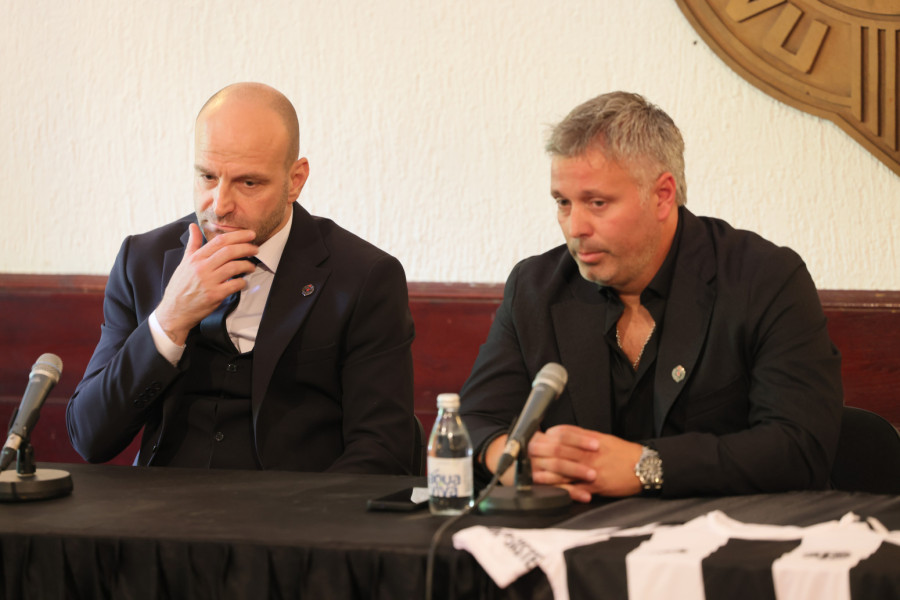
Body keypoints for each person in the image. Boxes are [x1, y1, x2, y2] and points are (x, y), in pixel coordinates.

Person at [460, 91, 843, 501]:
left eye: (597, 203)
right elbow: (471, 423)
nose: (575, 227)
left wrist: (647, 466)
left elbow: (799, 448)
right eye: (563, 203)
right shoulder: (535, 288)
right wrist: (514, 459)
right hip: (581, 532)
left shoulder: (764, 279)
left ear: (662, 195)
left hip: (727, 531)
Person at [67, 82, 417, 474]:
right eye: (207, 176)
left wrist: (304, 512)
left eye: (248, 183)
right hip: (164, 504)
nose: (219, 206)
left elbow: (384, 450)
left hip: (295, 505)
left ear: (295, 180)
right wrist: (170, 319)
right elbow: (90, 437)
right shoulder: (142, 261)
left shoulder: (364, 277)